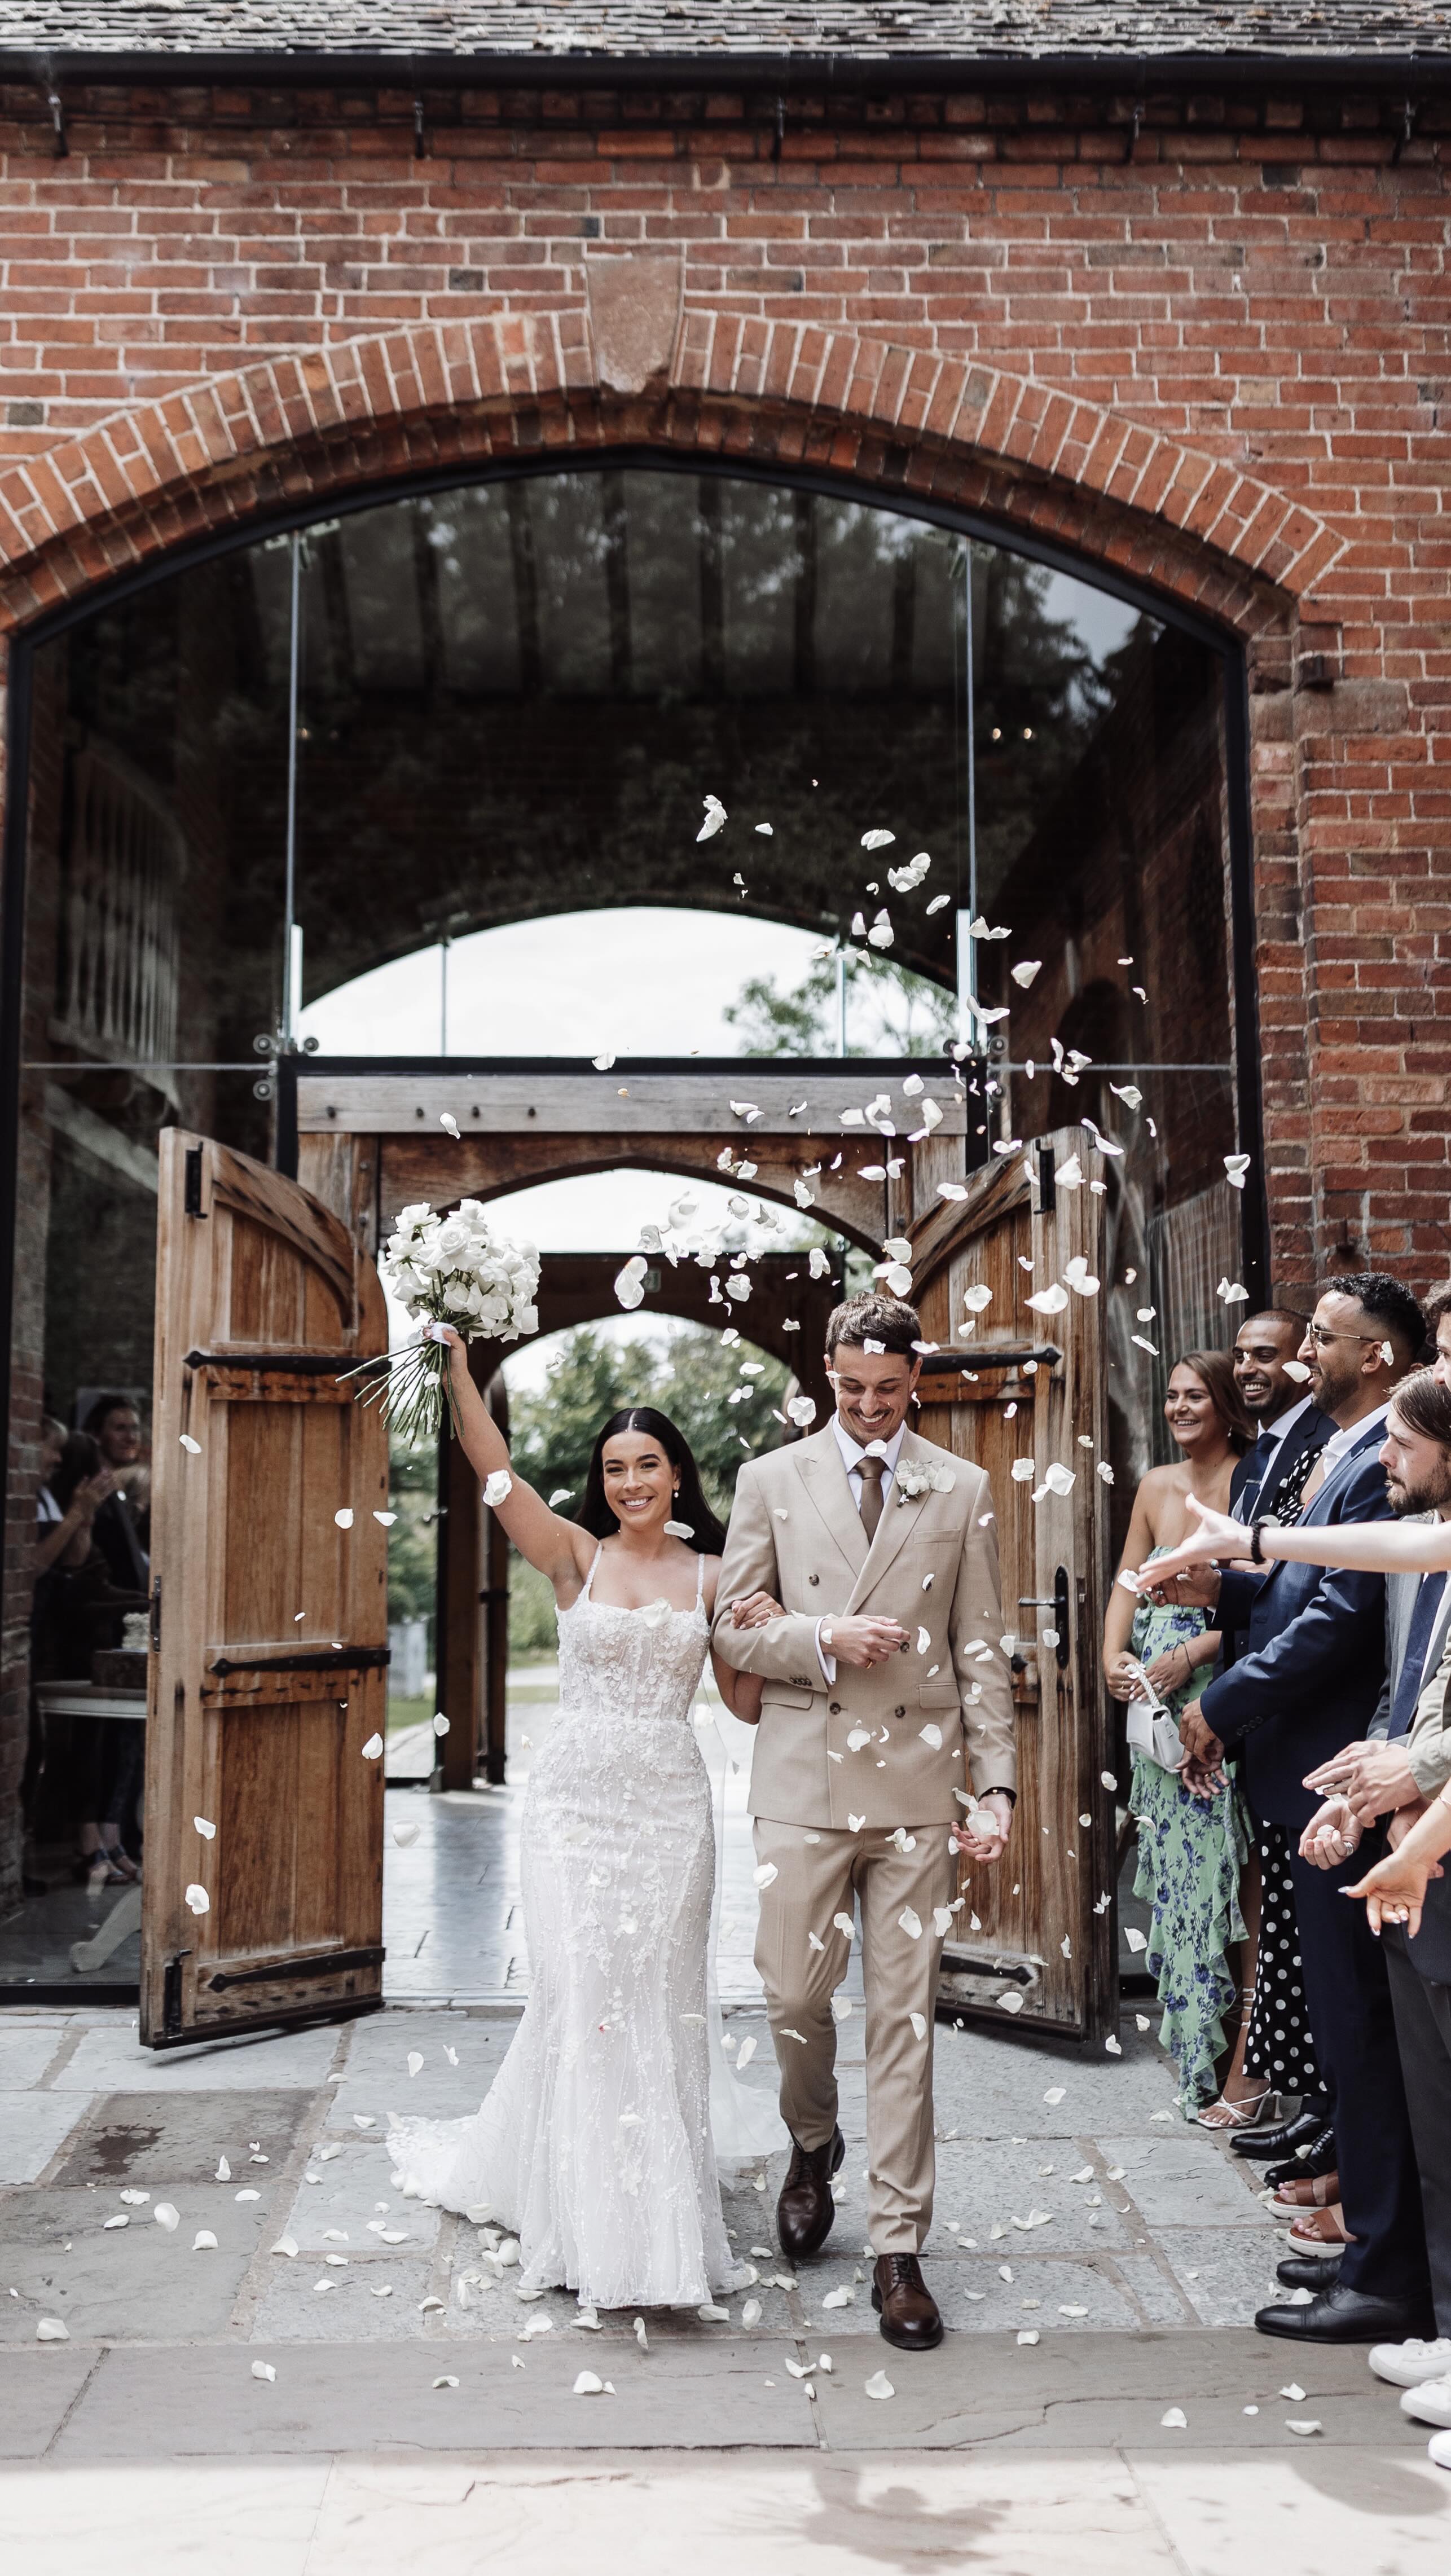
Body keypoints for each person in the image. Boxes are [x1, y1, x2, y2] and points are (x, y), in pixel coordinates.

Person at [388, 1330, 767, 2314]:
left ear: (678, 1475)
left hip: (672, 1814)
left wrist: (781, 1637)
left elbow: (746, 1704)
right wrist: (460, 1372)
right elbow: (495, 1468)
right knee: (582, 1993)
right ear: (600, 1482)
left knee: (656, 2002)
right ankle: (578, 2222)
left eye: (648, 1464)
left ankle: (657, 2224)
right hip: (572, 1814)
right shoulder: (574, 1556)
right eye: (615, 1467)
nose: (632, 1480)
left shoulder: (717, 1574)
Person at [1138, 1366, 1451, 2415]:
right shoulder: (1429, 1519)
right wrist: (1249, 1546)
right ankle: (1438, 2316)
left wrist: (1411, 1797)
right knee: (1427, 2091)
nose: (1383, 1465)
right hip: (1400, 1812)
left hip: (1423, 1819)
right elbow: (1397, 1549)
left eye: (1401, 1448)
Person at [710, 1291, 1015, 2354]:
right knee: (792, 1993)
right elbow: (733, 1631)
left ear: (913, 1381)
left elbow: (981, 1646)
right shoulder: (769, 1481)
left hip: (918, 1790)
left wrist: (999, 1788)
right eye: (851, 1389)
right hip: (798, 1778)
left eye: (888, 1391)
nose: (871, 1408)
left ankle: (899, 2248)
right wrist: (821, 1636)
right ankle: (812, 2141)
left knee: (904, 2016)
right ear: (826, 1377)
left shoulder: (961, 1486)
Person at [1102, 1352, 1256, 2123]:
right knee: (1172, 1877)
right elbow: (1129, 1583)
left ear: (1227, 1404)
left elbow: (1265, 1606)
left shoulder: (1252, 1481)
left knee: (1218, 1876)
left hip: (1216, 1694)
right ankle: (1194, 2053)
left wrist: (1192, 1654)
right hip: (1153, 1711)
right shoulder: (1157, 1484)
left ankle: (1226, 2063)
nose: (1180, 1407)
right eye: (1171, 1396)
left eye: (1196, 1395)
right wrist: (1114, 1659)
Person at [1223, 1311, 1334, 2170]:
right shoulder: (1261, 1451)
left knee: (1314, 1936)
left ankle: (1330, 2120)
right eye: (1247, 1353)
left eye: (1280, 1350)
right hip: (1264, 1711)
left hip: (1312, 1718)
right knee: (1290, 1924)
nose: (1262, 1364)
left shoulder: (1333, 1447)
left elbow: (1322, 1602)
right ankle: (1315, 2108)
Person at [32, 1429, 147, 1883]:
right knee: (75, 1748)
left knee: (108, 1746)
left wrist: (85, 1516)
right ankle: (87, 1841)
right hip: (62, 1646)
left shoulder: (78, 1510)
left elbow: (77, 1561)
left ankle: (105, 1838)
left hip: (84, 1641)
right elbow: (64, 1570)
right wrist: (80, 1513)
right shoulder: (53, 1504)